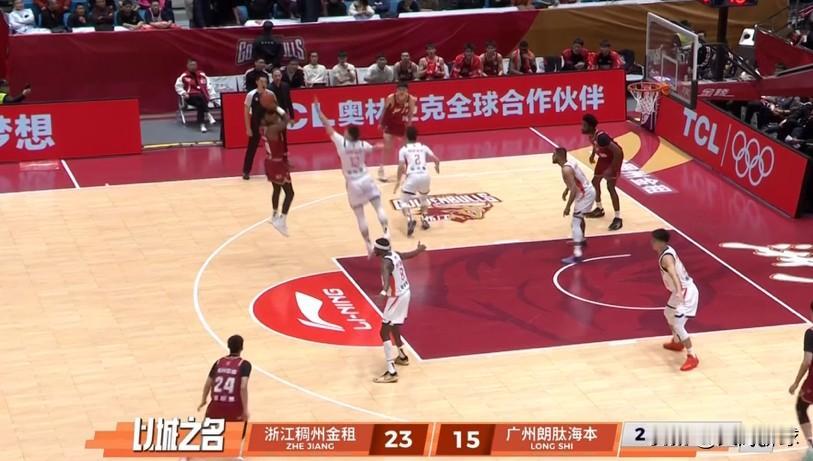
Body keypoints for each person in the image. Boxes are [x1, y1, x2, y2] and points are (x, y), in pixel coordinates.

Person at [315, 97, 390, 255]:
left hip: (353, 183)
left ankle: (368, 244)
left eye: (346, 130)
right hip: (366, 178)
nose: (344, 131)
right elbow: (375, 148)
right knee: (379, 207)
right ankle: (386, 232)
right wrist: (381, 146)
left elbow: (326, 124)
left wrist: (318, 109)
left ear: (349, 134)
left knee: (360, 216)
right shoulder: (363, 144)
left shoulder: (341, 142)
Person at [372, 237, 426, 384]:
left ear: (380, 250)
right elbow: (407, 255)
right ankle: (402, 356)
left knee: (383, 331)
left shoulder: (385, 263)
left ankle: (391, 371)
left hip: (396, 297)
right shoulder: (394, 254)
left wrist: (383, 293)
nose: (374, 249)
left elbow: (386, 280)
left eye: (375, 248)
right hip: (406, 292)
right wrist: (419, 250)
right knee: (394, 325)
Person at [651, 229, 700, 372]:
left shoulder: (666, 258)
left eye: (654, 240)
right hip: (680, 291)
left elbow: (674, 275)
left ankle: (692, 356)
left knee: (678, 325)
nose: (652, 242)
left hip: (686, 293)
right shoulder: (665, 250)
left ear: (661, 242)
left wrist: (678, 291)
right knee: (667, 313)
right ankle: (678, 342)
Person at [393, 126, 440, 236]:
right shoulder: (423, 147)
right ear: (417, 136)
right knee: (423, 199)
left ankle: (410, 219)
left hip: (413, 177)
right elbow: (437, 159)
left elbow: (401, 166)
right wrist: (437, 167)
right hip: (425, 176)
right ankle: (424, 219)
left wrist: (398, 181)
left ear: (406, 137)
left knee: (404, 202)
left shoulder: (404, 149)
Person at [552, 147, 594, 265]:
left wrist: (568, 207)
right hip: (587, 191)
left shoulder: (566, 169)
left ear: (559, 156)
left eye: (554, 154)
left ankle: (577, 254)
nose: (552, 157)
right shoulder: (569, 164)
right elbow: (575, 180)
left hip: (585, 194)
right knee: (579, 218)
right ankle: (582, 240)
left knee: (575, 222)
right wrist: (567, 189)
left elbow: (574, 189)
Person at [582, 114, 623, 231]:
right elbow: (595, 145)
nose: (582, 127)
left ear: (591, 127)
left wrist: (612, 168)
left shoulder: (602, 137)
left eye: (584, 125)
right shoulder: (592, 136)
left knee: (610, 187)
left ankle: (618, 218)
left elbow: (618, 152)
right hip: (603, 158)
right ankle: (599, 209)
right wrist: (592, 155)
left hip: (613, 159)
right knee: (595, 182)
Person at [197, 334, 251, 422]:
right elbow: (243, 386)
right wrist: (245, 410)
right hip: (233, 408)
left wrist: (203, 400)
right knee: (236, 430)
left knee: (208, 430)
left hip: (215, 406)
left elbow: (208, 384)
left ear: (228, 346)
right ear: (242, 348)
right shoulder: (244, 364)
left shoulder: (218, 362)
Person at [262, 112, 294, 236]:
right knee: (290, 193)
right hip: (277, 164)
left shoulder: (265, 129)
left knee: (276, 189)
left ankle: (274, 215)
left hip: (269, 162)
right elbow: (286, 120)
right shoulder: (275, 132)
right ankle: (282, 221)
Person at [243, 74, 281, 179]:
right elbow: (246, 112)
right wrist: (248, 128)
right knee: (251, 149)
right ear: (257, 82)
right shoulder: (251, 95)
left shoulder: (271, 94)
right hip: (255, 124)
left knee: (271, 149)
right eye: (261, 81)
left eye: (265, 82)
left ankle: (272, 170)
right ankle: (246, 171)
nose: (263, 83)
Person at [789, 302, 813, 458]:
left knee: (801, 407)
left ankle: (811, 444)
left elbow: (807, 361)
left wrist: (796, 382)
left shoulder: (811, 334)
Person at [378, 82, 416, 181]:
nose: (401, 92)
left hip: (401, 125)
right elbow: (384, 111)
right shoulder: (391, 98)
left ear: (407, 91)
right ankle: (381, 169)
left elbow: (410, 114)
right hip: (390, 125)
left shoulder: (411, 99)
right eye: (400, 90)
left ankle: (405, 168)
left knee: (406, 148)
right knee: (388, 148)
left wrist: (409, 125)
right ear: (396, 90)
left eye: (404, 90)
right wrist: (381, 124)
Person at [175, 59, 218, 133]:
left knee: (200, 104)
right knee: (199, 98)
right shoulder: (184, 76)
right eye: (191, 65)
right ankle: (208, 114)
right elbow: (177, 86)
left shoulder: (202, 75)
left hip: (202, 98)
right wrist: (184, 93)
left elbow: (209, 86)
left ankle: (202, 125)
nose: (193, 66)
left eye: (194, 65)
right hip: (190, 98)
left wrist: (212, 96)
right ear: (187, 66)